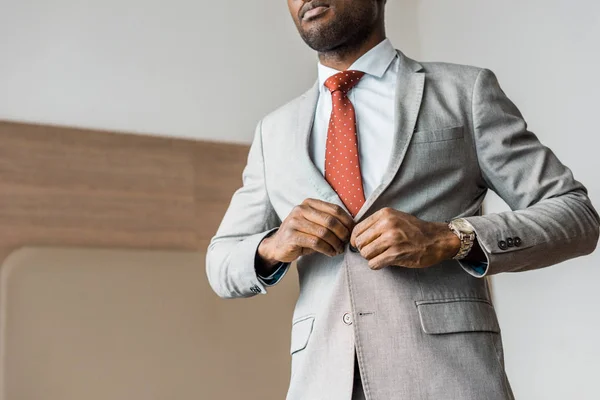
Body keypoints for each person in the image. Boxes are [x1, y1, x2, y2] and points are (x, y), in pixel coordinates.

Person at [206, 1, 600, 399]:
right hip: (321, 384)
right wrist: (273, 246)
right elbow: (220, 262)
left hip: (450, 381)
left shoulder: (465, 93)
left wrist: (451, 238)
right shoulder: (272, 132)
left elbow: (576, 216)